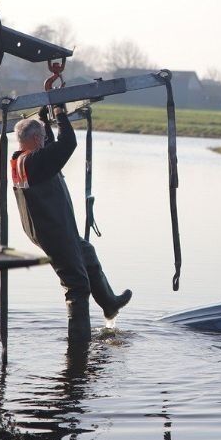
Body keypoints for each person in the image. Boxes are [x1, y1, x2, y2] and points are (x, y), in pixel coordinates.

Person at [11, 104, 131, 342]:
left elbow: (50, 151)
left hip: (49, 230)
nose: (46, 141)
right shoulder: (36, 162)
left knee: (86, 252)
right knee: (77, 287)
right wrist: (60, 114)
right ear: (35, 139)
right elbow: (67, 145)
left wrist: (45, 121)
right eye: (43, 137)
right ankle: (79, 344)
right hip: (54, 232)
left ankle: (109, 303)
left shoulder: (22, 160)